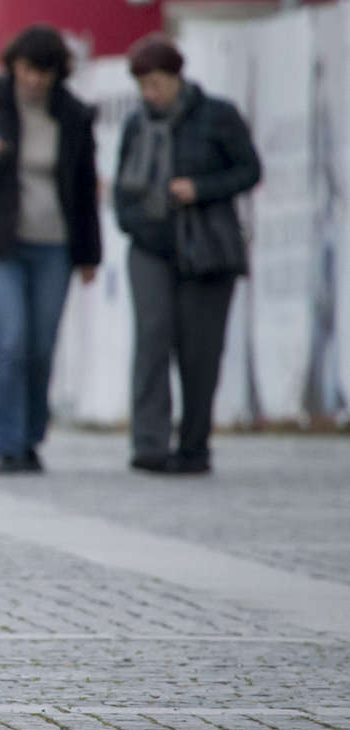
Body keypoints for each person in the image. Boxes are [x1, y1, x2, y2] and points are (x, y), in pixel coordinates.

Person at [0, 25, 101, 473]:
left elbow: (84, 187)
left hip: (55, 246)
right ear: (14, 65)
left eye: (44, 72)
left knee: (40, 346)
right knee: (11, 340)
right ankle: (5, 444)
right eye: (28, 69)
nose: (35, 79)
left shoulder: (74, 115)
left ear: (58, 73)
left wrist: (89, 255)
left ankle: (31, 438)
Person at [115, 34, 260, 474]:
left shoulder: (218, 115)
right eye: (142, 85)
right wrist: (135, 224)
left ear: (176, 77)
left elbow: (249, 170)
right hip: (150, 247)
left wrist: (200, 188)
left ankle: (194, 447)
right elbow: (122, 189)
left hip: (206, 249)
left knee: (200, 351)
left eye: (156, 83)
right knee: (152, 340)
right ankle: (150, 445)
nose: (149, 93)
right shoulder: (136, 124)